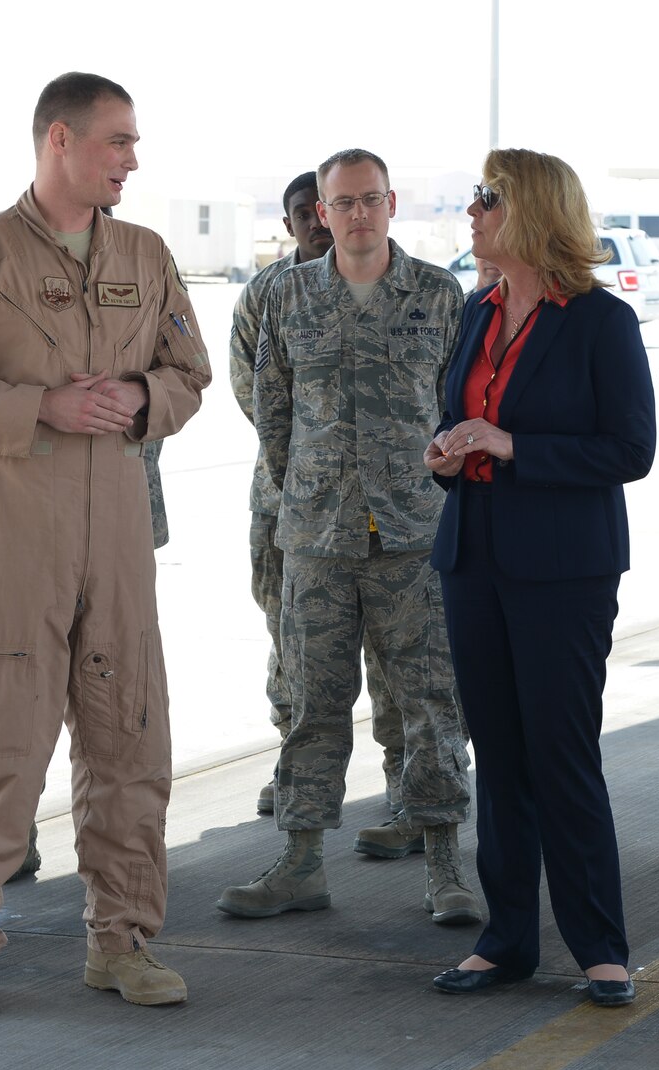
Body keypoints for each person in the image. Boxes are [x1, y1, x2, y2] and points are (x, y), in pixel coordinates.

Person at [0, 72, 210, 1016]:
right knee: (4, 735)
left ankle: (123, 941)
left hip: (116, 524)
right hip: (13, 521)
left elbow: (190, 372)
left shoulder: (146, 254)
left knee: (128, 734)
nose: (132, 159)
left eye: (134, 141)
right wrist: (41, 407)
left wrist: (144, 397)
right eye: (118, 140)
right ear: (60, 140)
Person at [216, 150, 482, 927]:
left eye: (371, 199)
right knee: (312, 703)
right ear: (321, 213)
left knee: (431, 701)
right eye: (343, 203)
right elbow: (271, 408)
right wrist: (310, 491)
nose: (358, 214)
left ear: (391, 204)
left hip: (413, 534)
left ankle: (444, 865)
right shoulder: (286, 294)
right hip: (316, 537)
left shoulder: (437, 294)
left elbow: (458, 403)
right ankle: (300, 862)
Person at [423, 150, 656, 1006]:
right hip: (474, 555)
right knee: (499, 755)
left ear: (531, 212)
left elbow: (630, 450)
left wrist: (511, 444)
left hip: (563, 567)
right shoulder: (478, 308)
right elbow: (459, 414)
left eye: (488, 198)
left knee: (560, 752)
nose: (473, 211)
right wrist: (447, 452)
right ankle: (506, 939)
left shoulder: (600, 320)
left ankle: (600, 946)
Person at [229, 172, 411, 849]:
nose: (315, 221)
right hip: (292, 501)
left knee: (398, 655)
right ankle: (296, 773)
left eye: (322, 208)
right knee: (295, 644)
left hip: (390, 510)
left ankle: (406, 783)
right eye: (302, 213)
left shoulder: (410, 287)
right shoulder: (269, 293)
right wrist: (314, 464)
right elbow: (255, 393)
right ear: (291, 224)